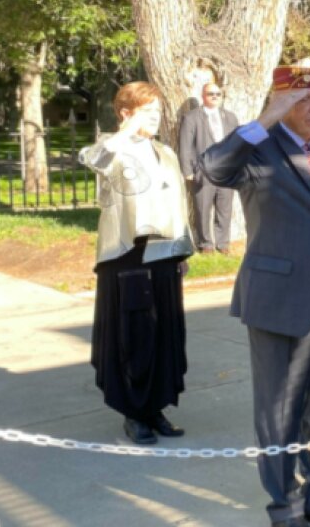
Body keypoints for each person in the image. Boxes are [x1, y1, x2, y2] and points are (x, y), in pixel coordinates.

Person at [201, 61, 310, 527]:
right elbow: (212, 167)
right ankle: (285, 506)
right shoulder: (260, 149)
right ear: (280, 104)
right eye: (301, 99)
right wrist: (267, 118)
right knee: (280, 410)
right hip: (279, 299)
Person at [80, 82, 194, 446]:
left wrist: (182, 251)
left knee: (165, 334)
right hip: (127, 256)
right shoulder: (113, 150)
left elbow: (177, 203)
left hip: (164, 254)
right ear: (126, 113)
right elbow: (90, 159)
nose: (156, 118)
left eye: (158, 111)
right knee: (135, 335)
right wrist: (124, 131)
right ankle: (134, 412)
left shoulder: (165, 152)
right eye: (147, 111)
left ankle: (156, 406)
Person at [178, 81, 239, 254]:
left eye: (218, 94)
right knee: (202, 208)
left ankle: (223, 244)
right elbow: (185, 146)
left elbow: (237, 143)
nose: (214, 97)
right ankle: (205, 244)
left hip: (226, 172)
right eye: (210, 94)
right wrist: (187, 170)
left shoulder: (231, 117)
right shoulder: (191, 118)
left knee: (225, 208)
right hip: (202, 171)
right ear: (203, 96)